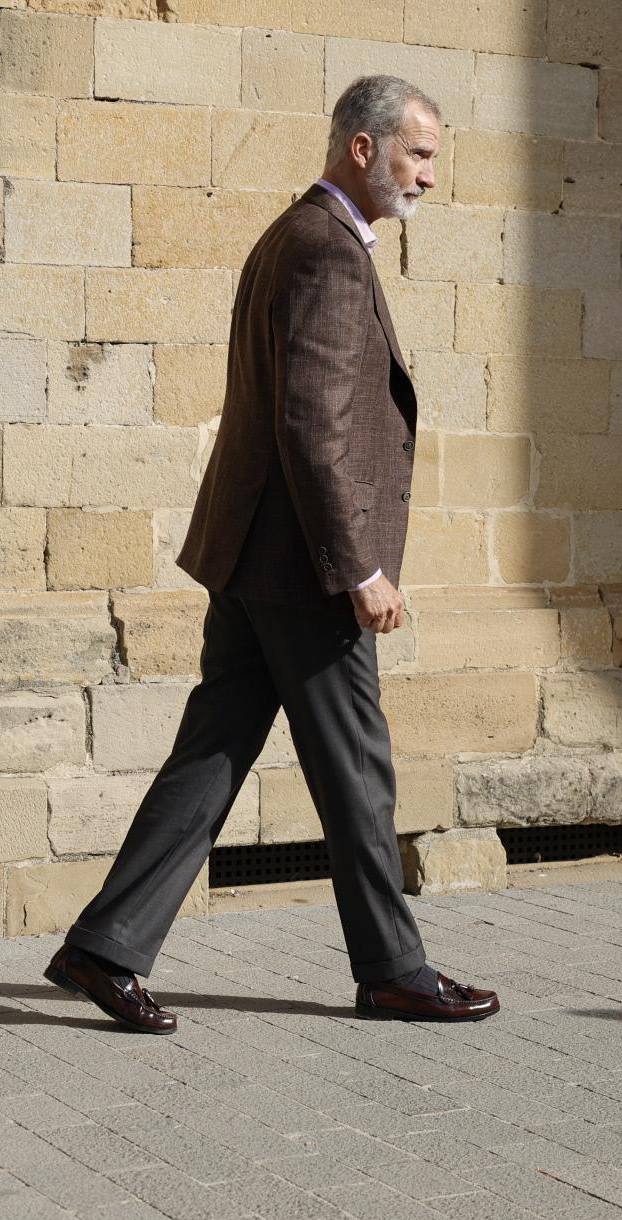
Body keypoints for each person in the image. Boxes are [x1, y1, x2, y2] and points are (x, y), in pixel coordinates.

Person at [45, 75, 501, 1031]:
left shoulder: (297, 236)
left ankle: (104, 946)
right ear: (363, 148)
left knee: (212, 755)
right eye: (418, 154)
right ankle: (391, 969)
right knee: (358, 770)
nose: (429, 176)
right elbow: (312, 424)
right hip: (303, 571)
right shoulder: (326, 251)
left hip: (258, 560)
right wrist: (360, 568)